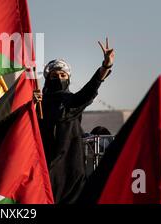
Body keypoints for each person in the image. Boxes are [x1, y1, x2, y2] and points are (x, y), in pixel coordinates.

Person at [34, 38, 115, 204]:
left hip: (71, 168)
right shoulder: (38, 104)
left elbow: (91, 88)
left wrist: (105, 66)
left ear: (68, 78)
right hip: (43, 167)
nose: (59, 78)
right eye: (54, 75)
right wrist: (32, 104)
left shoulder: (73, 101)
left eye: (63, 75)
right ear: (48, 79)